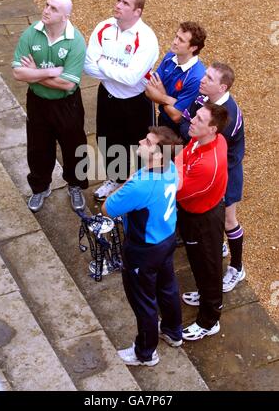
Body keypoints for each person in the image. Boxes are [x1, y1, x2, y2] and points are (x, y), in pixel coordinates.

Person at [102, 126, 182, 366]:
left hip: (143, 249)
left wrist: (131, 180)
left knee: (143, 301)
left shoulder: (141, 185)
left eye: (147, 141)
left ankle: (145, 353)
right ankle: (173, 331)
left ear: (158, 154)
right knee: (167, 287)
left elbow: (108, 208)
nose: (140, 141)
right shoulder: (170, 168)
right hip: (166, 238)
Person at [12, 0, 88, 213]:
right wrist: (48, 72)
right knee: (38, 148)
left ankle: (75, 186)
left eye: (53, 9)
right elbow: (18, 73)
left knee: (74, 148)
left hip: (67, 105)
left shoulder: (76, 41)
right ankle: (40, 187)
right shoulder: (31, 33)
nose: (46, 10)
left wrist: (33, 72)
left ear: (65, 16)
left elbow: (66, 84)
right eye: (46, 5)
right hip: (37, 102)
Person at [84, 0, 159, 201]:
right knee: (107, 140)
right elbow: (88, 67)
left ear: (138, 11)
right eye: (118, 1)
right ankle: (115, 179)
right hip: (107, 96)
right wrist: (117, 71)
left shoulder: (146, 39)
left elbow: (131, 78)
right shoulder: (104, 27)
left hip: (136, 101)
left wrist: (103, 64)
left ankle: (144, 188)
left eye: (125, 3)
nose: (118, 5)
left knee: (141, 145)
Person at [179, 62, 245, 292]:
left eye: (209, 78)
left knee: (228, 220)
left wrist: (191, 133)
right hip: (204, 164)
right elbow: (184, 123)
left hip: (226, 173)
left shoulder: (229, 115)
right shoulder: (203, 98)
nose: (202, 79)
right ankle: (219, 249)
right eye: (205, 75)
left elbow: (199, 138)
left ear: (222, 86)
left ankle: (237, 268)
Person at [176, 102, 229, 341]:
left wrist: (178, 169)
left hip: (203, 220)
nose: (192, 121)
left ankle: (209, 320)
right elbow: (181, 157)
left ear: (213, 129)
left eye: (199, 120)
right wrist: (179, 167)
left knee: (209, 268)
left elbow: (178, 191)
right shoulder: (201, 139)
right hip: (195, 212)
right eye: (196, 116)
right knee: (198, 261)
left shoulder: (208, 165)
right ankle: (204, 293)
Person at [145, 21, 206, 135]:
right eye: (176, 36)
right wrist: (170, 100)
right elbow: (149, 89)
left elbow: (177, 116)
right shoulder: (170, 56)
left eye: (181, 40)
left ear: (193, 48)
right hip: (163, 120)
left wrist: (161, 95)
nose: (174, 42)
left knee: (169, 153)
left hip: (179, 131)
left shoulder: (196, 78)